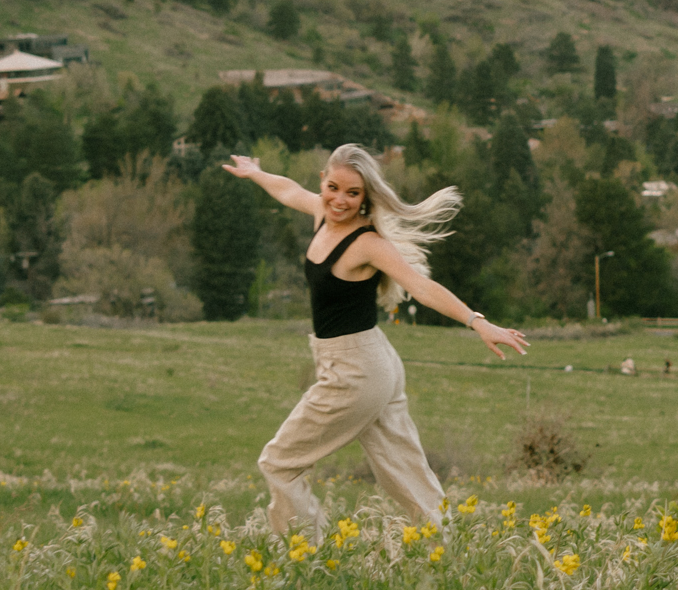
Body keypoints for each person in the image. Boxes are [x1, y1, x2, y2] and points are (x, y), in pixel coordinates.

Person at [223, 143, 527, 539]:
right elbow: (288, 190)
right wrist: (255, 173)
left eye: (353, 194)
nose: (340, 200)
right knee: (404, 469)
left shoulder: (366, 243)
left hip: (354, 371)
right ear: (324, 181)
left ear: (366, 197)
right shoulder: (321, 212)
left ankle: (300, 552)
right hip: (373, 362)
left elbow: (420, 286)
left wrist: (476, 321)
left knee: (279, 462)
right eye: (333, 188)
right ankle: (442, 547)